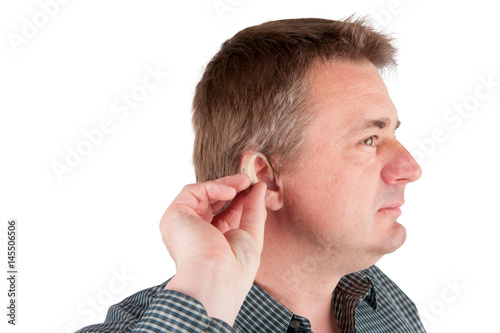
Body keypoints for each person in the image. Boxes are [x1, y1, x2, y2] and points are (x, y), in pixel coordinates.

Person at [77, 17, 426, 333]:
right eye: (369, 140)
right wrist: (205, 281)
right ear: (266, 177)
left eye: (393, 134)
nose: (411, 169)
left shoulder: (383, 305)